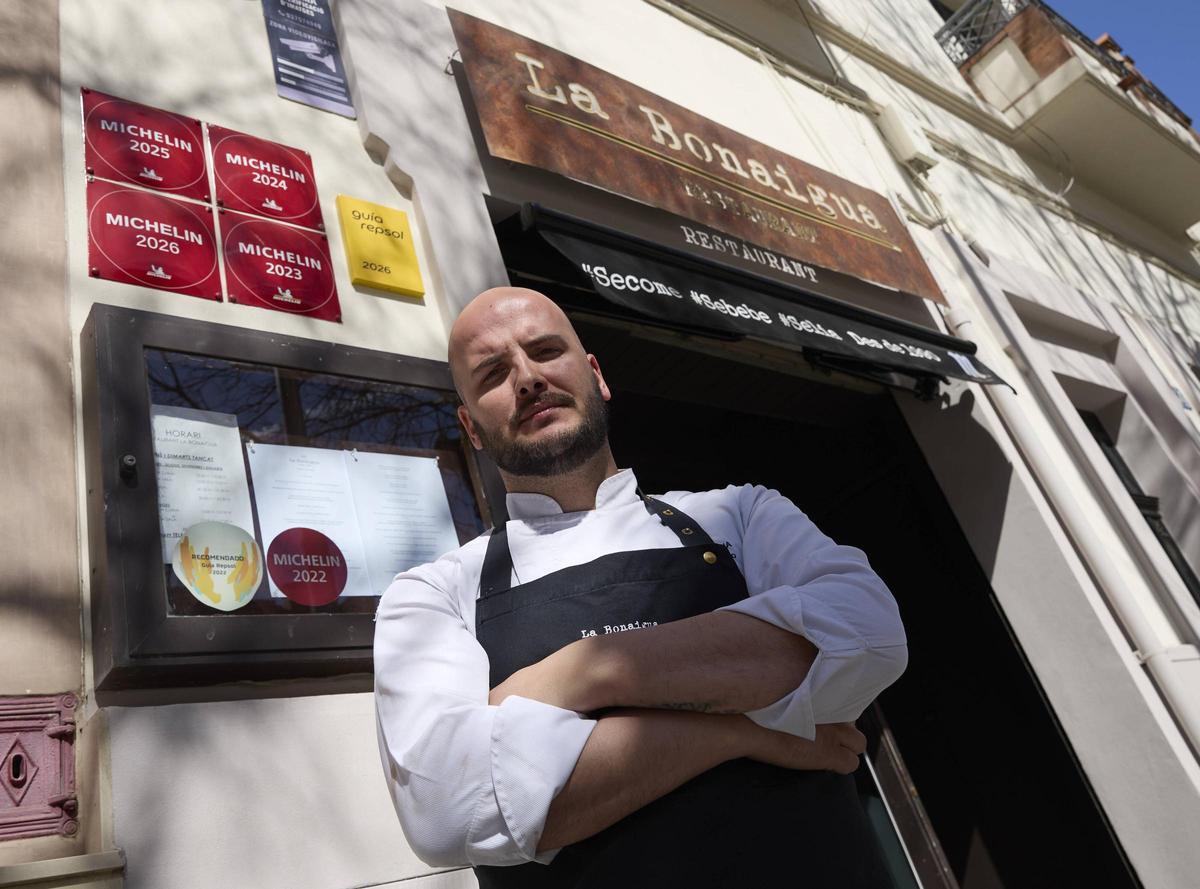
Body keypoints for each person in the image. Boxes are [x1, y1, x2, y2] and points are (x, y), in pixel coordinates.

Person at [374, 286, 908, 888]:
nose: (527, 378)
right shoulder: (433, 592)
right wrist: (741, 730)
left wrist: (585, 673)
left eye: (546, 350)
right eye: (494, 372)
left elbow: (869, 634)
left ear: (596, 376)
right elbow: (446, 805)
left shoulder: (739, 514)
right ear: (471, 428)